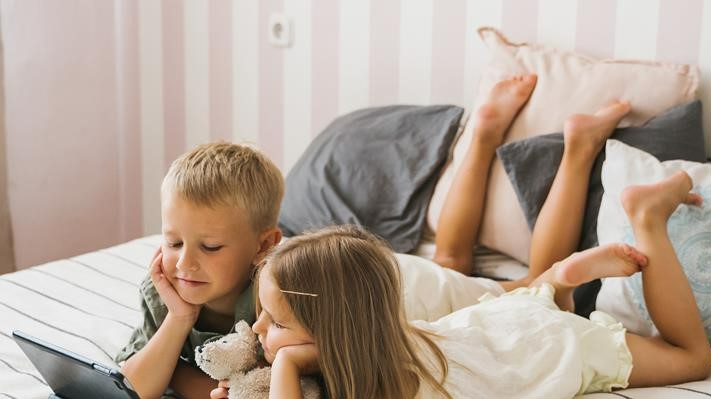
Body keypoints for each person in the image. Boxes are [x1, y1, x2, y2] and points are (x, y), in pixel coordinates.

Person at [209, 171, 711, 398]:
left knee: (693, 358)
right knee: (538, 309)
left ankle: (647, 218)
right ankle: (557, 282)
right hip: (501, 325)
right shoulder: (372, 353)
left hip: (552, 344)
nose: (255, 329)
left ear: (335, 334)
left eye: (276, 322)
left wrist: (290, 362)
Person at [431, 74, 633, 295]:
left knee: (538, 288)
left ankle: (578, 151)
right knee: (444, 266)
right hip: (403, 275)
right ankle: (484, 135)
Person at [116, 143, 284, 399]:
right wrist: (179, 318)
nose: (184, 263)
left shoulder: (279, 300)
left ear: (264, 246)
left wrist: (176, 372)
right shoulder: (163, 291)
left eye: (210, 247)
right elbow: (134, 389)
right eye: (173, 242)